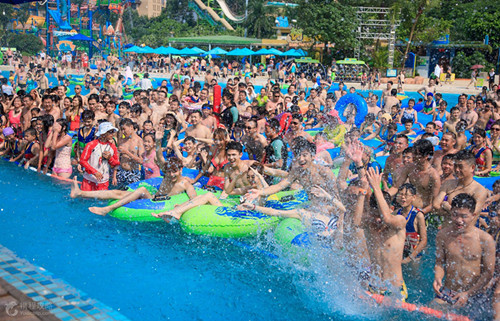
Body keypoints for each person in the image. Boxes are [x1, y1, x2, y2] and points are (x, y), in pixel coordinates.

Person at [432, 193, 495, 312]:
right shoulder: (443, 235)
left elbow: (488, 273)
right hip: (449, 291)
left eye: (464, 216)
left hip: (474, 294)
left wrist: (468, 293)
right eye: (455, 215)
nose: (458, 220)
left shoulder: (485, 239)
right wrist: (437, 277)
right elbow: (439, 262)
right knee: (430, 311)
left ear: (473, 215)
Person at [71, 157, 196, 216]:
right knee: (116, 193)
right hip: (152, 198)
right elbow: (159, 157)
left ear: (181, 169)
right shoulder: (167, 177)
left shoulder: (185, 183)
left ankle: (107, 209)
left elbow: (194, 200)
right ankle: (80, 193)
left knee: (141, 189)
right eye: (169, 171)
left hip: (158, 202)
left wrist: (180, 207)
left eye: (174, 171)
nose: (171, 174)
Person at [363, 167, 408, 301]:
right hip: (374, 285)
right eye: (375, 215)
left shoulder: (399, 222)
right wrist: (359, 164)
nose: (378, 219)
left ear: (391, 209)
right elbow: (355, 221)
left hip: (394, 288)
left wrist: (376, 187)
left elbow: (387, 218)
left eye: (380, 216)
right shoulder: (371, 224)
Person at [434, 150, 489, 226]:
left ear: (472, 168)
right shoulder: (448, 184)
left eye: (460, 167)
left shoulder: (479, 191)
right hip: (447, 232)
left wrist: (448, 208)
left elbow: (470, 216)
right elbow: (435, 205)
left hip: (465, 235)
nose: (457, 170)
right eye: (455, 166)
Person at [391, 139, 441, 216]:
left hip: (423, 212)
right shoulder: (409, 168)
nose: (414, 157)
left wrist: (419, 213)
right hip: (406, 207)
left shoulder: (433, 176)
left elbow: (434, 203)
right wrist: (384, 195)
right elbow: (396, 187)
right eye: (414, 153)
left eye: (417, 154)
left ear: (426, 156)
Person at [79, 122, 120, 191]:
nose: (112, 134)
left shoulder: (113, 147)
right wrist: (95, 172)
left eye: (113, 131)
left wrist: (110, 159)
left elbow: (116, 164)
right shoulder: (91, 145)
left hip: (103, 182)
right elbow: (82, 161)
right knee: (86, 200)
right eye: (110, 132)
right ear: (103, 133)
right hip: (88, 180)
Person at [394, 183, 427, 263]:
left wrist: (409, 258)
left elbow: (424, 240)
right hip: (400, 253)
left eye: (406, 195)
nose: (402, 197)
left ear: (413, 197)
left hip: (414, 255)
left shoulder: (418, 215)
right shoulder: (396, 213)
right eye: (401, 194)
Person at [114, 118, 145, 189]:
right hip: (121, 172)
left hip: (133, 173)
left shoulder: (139, 141)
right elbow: (118, 158)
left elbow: (141, 161)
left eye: (124, 129)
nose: (123, 131)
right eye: (121, 129)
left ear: (131, 127)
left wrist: (127, 152)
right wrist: (114, 174)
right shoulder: (122, 140)